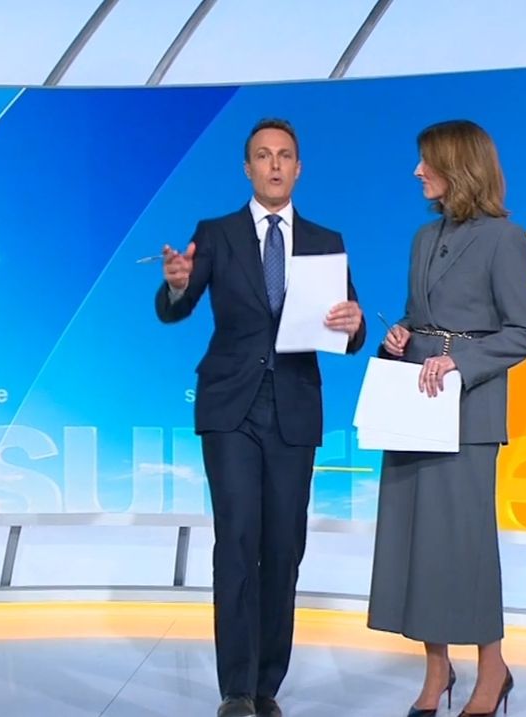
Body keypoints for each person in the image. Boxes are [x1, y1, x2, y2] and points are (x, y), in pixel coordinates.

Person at [155, 118, 366, 717]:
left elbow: (350, 329)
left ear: (298, 168)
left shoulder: (326, 240)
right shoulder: (216, 234)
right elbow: (176, 308)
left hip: (294, 406)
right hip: (231, 407)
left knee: (283, 546)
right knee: (237, 539)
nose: (275, 165)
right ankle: (237, 689)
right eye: (263, 155)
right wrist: (176, 286)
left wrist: (355, 325)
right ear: (247, 168)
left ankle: (268, 683)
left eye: (285, 155)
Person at [367, 120, 526, 717]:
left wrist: (459, 363)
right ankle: (438, 670)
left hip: (466, 413)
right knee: (416, 545)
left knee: (464, 546)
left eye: (427, 162)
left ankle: (493, 669)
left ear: (458, 166)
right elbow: (419, 315)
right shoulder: (424, 237)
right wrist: (400, 336)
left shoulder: (505, 239)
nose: (417, 171)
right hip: (414, 405)